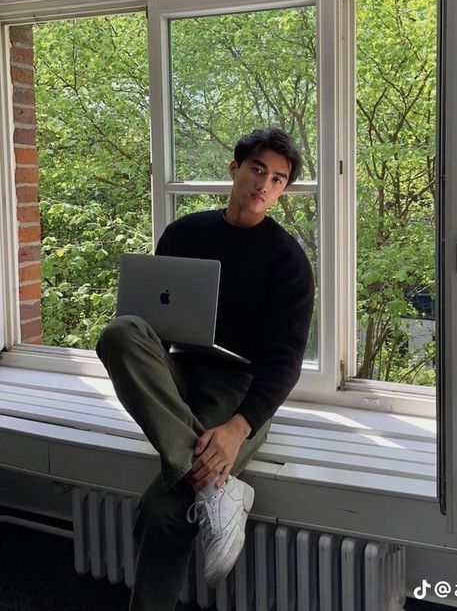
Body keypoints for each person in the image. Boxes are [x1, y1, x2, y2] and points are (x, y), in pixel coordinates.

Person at [96, 127, 314, 610]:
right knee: (120, 332)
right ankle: (216, 486)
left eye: (278, 179)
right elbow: (153, 327)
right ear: (234, 169)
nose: (264, 185)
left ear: (283, 190)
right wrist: (154, 375)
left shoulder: (288, 261)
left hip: (240, 389)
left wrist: (237, 429)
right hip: (181, 371)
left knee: (164, 509)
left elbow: (285, 363)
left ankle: (197, 475)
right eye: (257, 169)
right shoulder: (184, 233)